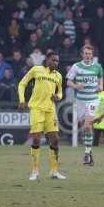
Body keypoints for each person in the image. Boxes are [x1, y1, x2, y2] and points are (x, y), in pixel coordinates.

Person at [17, 52, 65, 180]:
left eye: (57, 61)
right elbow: (22, 84)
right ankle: (35, 171)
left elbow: (60, 93)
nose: (56, 63)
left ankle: (54, 171)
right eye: (54, 60)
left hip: (50, 110)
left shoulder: (58, 76)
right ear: (47, 60)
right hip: (36, 108)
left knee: (55, 139)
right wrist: (22, 100)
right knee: (37, 139)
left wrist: (57, 97)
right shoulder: (36, 70)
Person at [66, 45, 103, 166]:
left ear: (92, 55)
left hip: (92, 100)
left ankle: (87, 153)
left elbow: (100, 80)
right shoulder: (76, 66)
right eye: (86, 53)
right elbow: (68, 81)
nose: (88, 55)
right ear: (82, 54)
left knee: (87, 125)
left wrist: (100, 87)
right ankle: (89, 153)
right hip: (80, 100)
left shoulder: (97, 67)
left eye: (90, 54)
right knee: (85, 128)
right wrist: (76, 86)